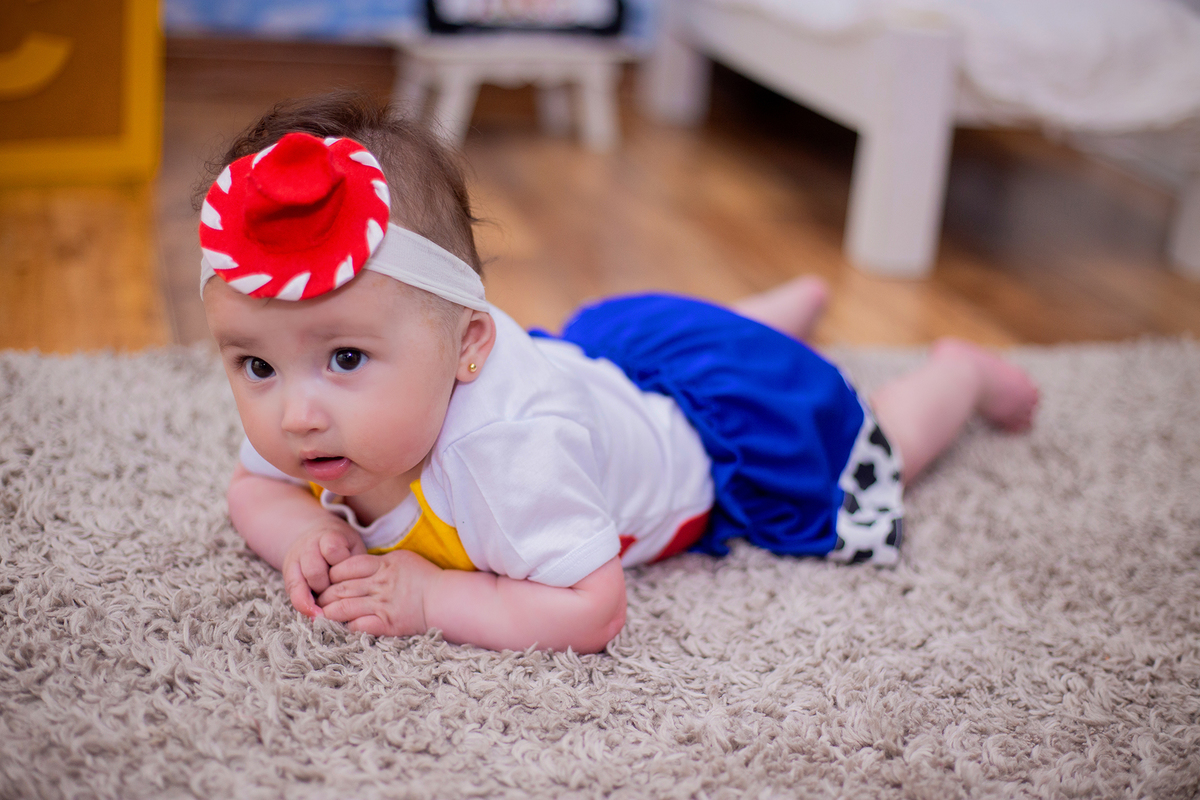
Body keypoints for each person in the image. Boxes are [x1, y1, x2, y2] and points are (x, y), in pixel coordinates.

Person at [200, 93, 1038, 654]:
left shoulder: (507, 459)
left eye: (345, 358)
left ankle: (957, 376)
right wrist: (306, 535)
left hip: (707, 442)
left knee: (860, 454)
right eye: (256, 365)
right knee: (706, 349)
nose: (296, 414)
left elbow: (593, 610)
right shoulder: (321, 428)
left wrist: (432, 603)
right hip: (606, 365)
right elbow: (253, 491)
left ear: (469, 348)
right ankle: (775, 316)